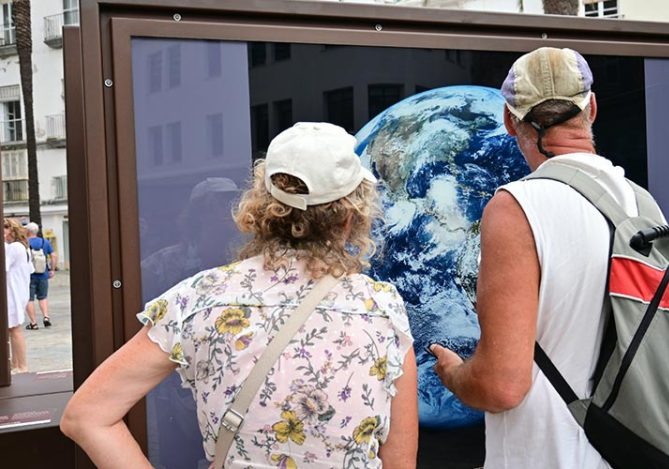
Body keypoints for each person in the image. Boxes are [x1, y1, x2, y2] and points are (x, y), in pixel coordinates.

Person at [61, 122, 418, 468]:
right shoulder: (382, 309)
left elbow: (87, 416)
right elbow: (399, 462)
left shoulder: (198, 300)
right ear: (349, 218)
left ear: (261, 208)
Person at [431, 47, 641, 468]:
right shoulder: (636, 201)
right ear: (592, 109)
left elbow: (502, 385)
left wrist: (454, 375)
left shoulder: (517, 207)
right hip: (631, 452)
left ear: (510, 119)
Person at [5, 218, 32, 373]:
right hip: (18, 290)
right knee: (12, 328)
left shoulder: (14, 247)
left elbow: (4, 266)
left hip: (13, 291)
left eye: (5, 227)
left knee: (14, 329)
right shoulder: (23, 246)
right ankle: (16, 364)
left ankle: (21, 365)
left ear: (11, 229)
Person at [25, 221, 57, 329]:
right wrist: (52, 270)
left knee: (29, 299)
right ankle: (46, 317)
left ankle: (33, 323)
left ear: (28, 231)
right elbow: (53, 256)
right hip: (43, 275)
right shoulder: (45, 242)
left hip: (29, 276)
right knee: (43, 297)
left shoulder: (25, 243)